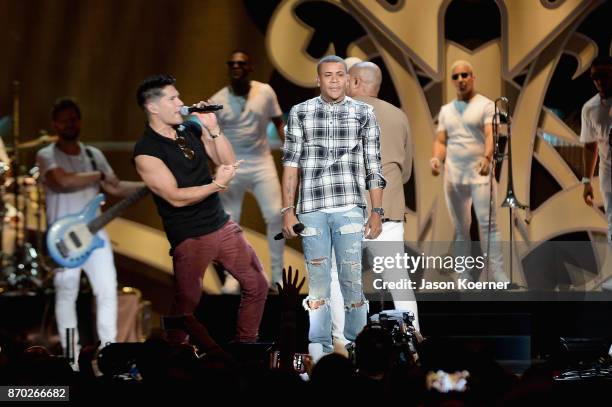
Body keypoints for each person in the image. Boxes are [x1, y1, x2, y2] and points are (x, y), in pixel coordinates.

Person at [133, 74, 268, 343]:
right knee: (187, 302)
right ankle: (174, 355)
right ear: (153, 107)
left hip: (221, 225)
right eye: (172, 98)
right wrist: (216, 185)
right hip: (190, 236)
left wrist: (213, 128)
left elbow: (228, 163)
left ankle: (245, 347)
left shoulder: (190, 130)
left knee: (257, 284)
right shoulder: (146, 151)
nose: (180, 102)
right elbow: (175, 197)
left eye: (179, 96)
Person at [281, 55, 386, 361]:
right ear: (319, 80)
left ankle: (358, 351)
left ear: (347, 78)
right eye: (329, 75)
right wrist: (287, 209)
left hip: (350, 208)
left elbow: (373, 165)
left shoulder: (364, 113)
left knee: (352, 282)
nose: (335, 80)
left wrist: (376, 211)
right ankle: (320, 352)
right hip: (311, 207)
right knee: (318, 286)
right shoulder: (300, 113)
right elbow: (290, 164)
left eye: (340, 74)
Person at [37, 98, 144, 355]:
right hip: (63, 239)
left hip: (96, 237)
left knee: (107, 291)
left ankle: (109, 354)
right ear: (55, 124)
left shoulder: (93, 156)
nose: (70, 123)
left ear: (80, 121)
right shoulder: (46, 155)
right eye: (64, 119)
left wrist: (150, 186)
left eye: (74, 118)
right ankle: (72, 359)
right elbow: (62, 181)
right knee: (66, 294)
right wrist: (98, 176)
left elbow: (115, 186)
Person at [210, 50, 286, 293]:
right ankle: (233, 276)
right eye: (232, 63)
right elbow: (210, 137)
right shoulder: (218, 99)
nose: (236, 67)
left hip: (261, 162)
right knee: (230, 220)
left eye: (241, 63)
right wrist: (217, 167)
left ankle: (277, 277)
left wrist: (291, 150)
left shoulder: (265, 92)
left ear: (250, 67)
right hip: (231, 164)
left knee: (275, 215)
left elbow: (278, 122)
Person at [431, 60, 508, 283]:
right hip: (454, 176)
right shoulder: (446, 110)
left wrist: (487, 157)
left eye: (465, 75)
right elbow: (441, 140)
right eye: (456, 76)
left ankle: (498, 273)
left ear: (473, 77)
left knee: (489, 226)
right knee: (460, 228)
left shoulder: (485, 105)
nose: (461, 79)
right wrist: (437, 158)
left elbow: (490, 134)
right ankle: (463, 273)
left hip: (480, 174)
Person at [580, 56, 611, 290]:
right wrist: (586, 181)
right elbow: (590, 146)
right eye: (594, 77)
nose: (599, 81)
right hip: (608, 170)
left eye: (604, 75)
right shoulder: (589, 108)